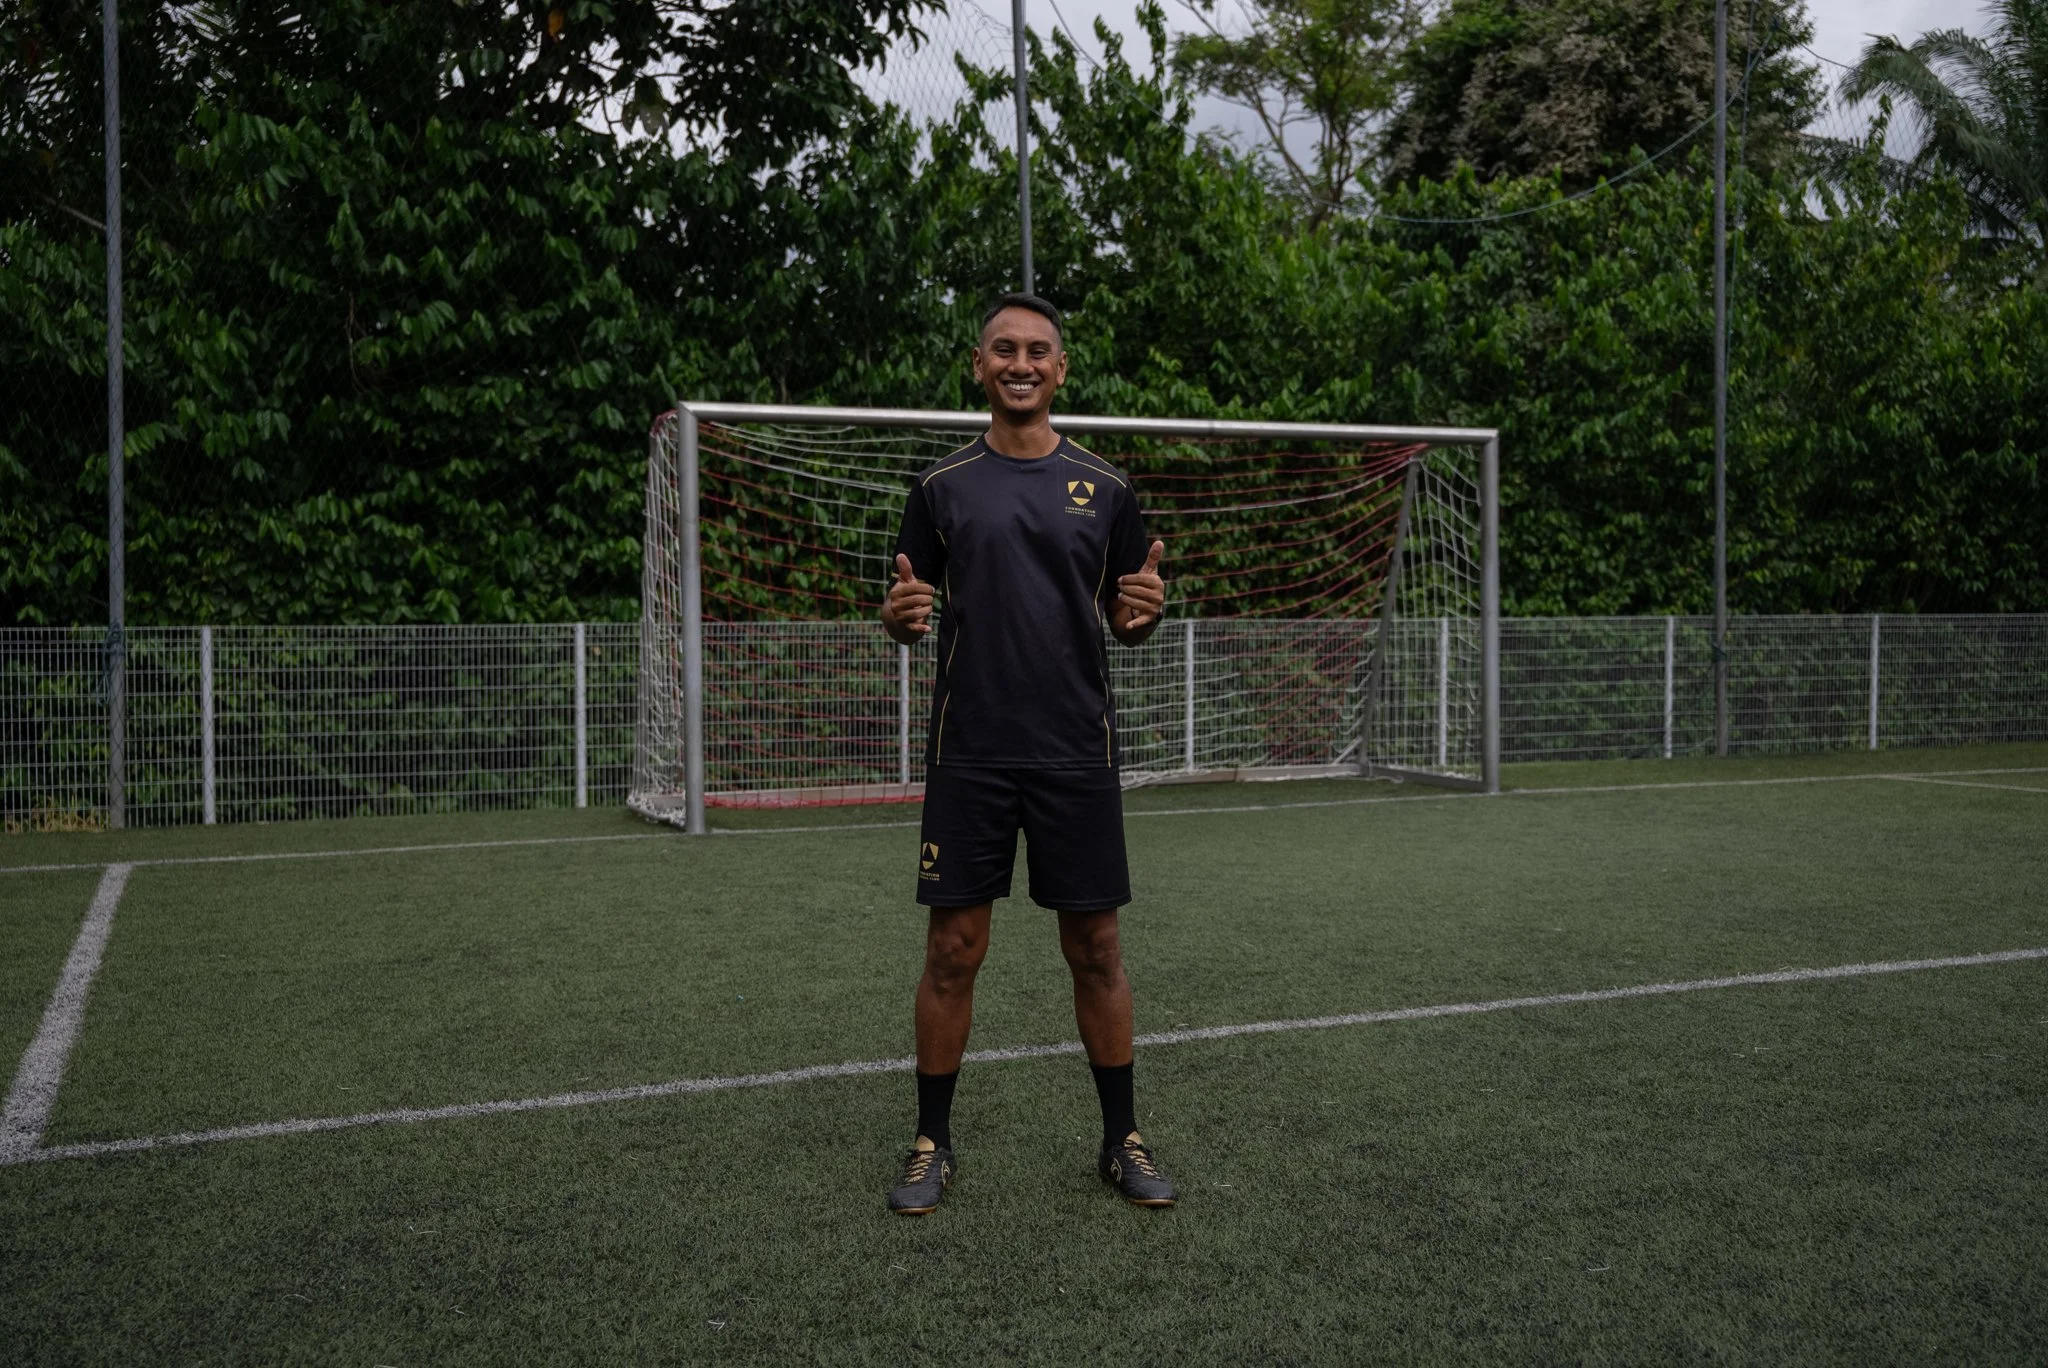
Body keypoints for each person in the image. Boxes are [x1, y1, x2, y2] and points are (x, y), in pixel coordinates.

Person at [878, 293, 1177, 1216]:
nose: (1021, 364)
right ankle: (931, 1144)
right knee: (952, 950)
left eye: (1037, 351)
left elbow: (1127, 616)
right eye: (1003, 350)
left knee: (1097, 948)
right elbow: (907, 607)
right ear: (979, 366)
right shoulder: (940, 487)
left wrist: (1142, 615)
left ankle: (1122, 1139)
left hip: (1074, 753)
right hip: (969, 751)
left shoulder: (1106, 488)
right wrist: (899, 619)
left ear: (1060, 369)